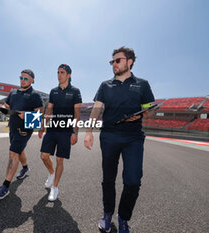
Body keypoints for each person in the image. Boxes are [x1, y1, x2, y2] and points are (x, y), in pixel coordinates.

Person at [84, 47, 155, 233]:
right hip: (109, 135)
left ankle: (123, 218)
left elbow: (149, 110)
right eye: (112, 62)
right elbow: (97, 109)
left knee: (133, 181)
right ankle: (107, 214)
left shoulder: (143, 84)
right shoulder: (105, 85)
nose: (113, 64)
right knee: (108, 179)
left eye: (117, 60)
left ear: (129, 61)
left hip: (133, 137)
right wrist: (89, 131)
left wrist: (140, 116)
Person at [0, 69, 43, 199]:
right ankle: (25, 168)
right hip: (13, 127)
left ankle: (5, 186)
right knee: (19, 150)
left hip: (25, 129)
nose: (22, 80)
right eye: (21, 78)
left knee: (13, 152)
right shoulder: (13, 92)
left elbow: (39, 117)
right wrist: (1, 107)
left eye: (26, 78)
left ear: (32, 80)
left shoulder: (35, 95)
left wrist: (26, 115)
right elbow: (8, 109)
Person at [38, 64, 82, 202]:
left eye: (62, 72)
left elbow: (77, 113)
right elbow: (49, 110)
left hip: (66, 130)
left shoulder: (75, 91)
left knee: (59, 159)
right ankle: (51, 173)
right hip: (52, 128)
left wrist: (75, 132)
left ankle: (55, 187)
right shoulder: (53, 91)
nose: (59, 75)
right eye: (57, 72)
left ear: (68, 75)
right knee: (44, 156)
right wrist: (42, 126)